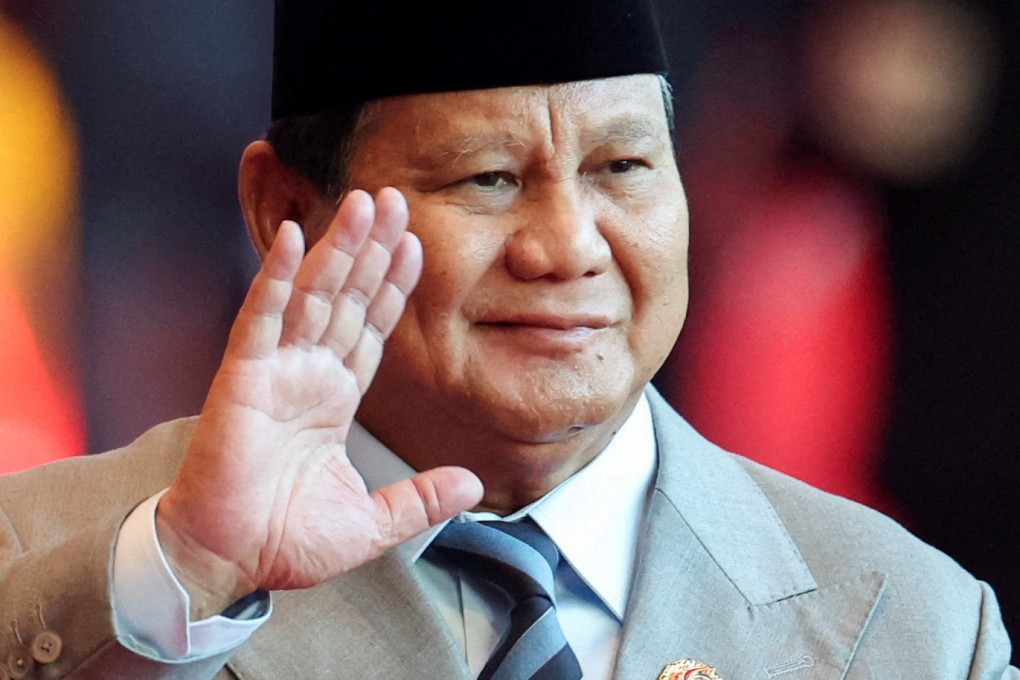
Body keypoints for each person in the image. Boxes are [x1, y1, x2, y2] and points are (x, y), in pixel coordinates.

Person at [0, 1, 1015, 678]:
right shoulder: (50, 560)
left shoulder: (917, 623)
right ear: (284, 210)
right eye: (485, 177)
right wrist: (177, 581)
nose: (569, 246)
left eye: (623, 167)